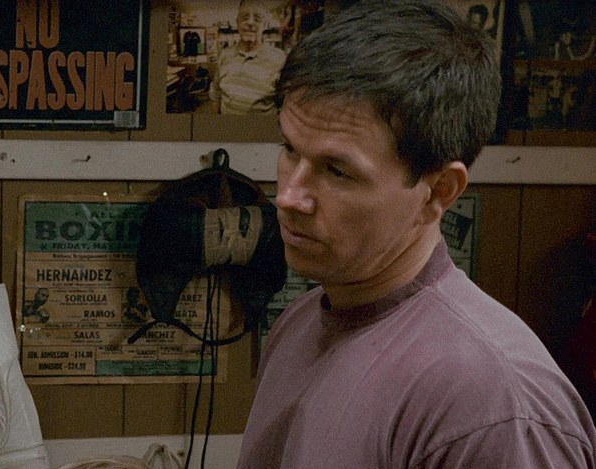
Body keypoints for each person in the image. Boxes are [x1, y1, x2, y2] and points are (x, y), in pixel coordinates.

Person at [238, 1, 596, 468]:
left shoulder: (493, 405)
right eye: (289, 149)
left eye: (337, 171)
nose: (289, 196)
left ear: (439, 191)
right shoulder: (301, 322)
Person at [209, 0, 286, 114]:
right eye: (244, 17)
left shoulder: (279, 59)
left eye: (257, 19)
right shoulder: (225, 55)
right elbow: (216, 95)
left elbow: (285, 103)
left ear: (265, 25)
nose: (250, 22)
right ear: (237, 23)